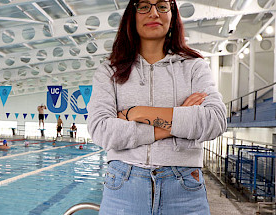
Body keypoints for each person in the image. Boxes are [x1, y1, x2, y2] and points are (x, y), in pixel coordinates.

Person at [87, 1, 227, 214]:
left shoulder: (194, 66)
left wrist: (137, 113)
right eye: (144, 6)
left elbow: (215, 120)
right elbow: (101, 130)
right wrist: (181, 120)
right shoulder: (110, 70)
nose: (153, 13)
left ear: (172, 17)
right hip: (123, 188)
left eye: (162, 6)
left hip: (184, 190)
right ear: (131, 16)